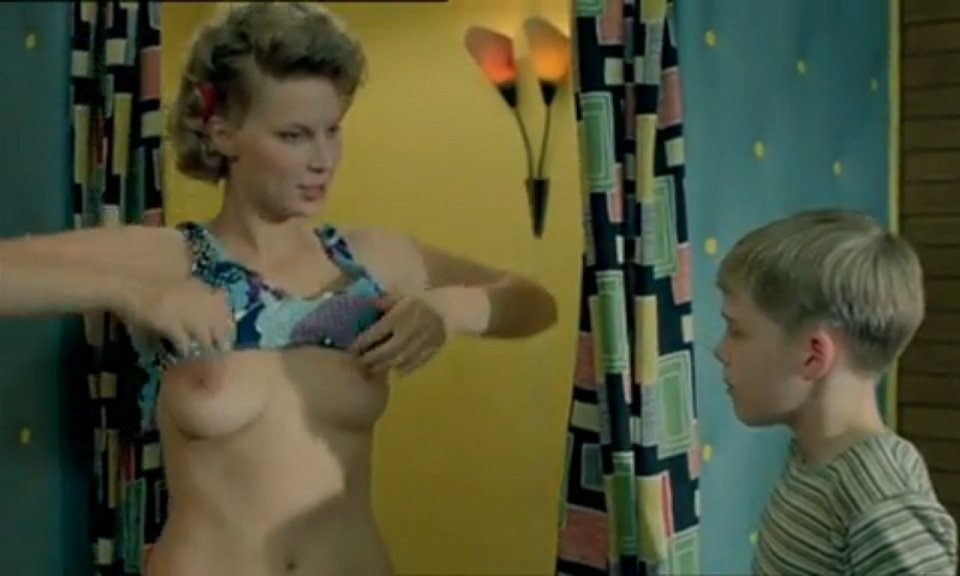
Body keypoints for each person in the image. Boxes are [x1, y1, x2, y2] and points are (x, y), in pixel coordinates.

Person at [0, 3, 558, 575]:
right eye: (294, 135)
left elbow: (534, 303)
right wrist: (131, 292)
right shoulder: (168, 261)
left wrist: (448, 308)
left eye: (332, 130)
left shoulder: (367, 259)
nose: (322, 160)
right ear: (223, 132)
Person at [713, 209, 958, 575]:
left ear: (813, 355)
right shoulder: (811, 460)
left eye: (736, 330)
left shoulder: (881, 497)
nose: (721, 351)